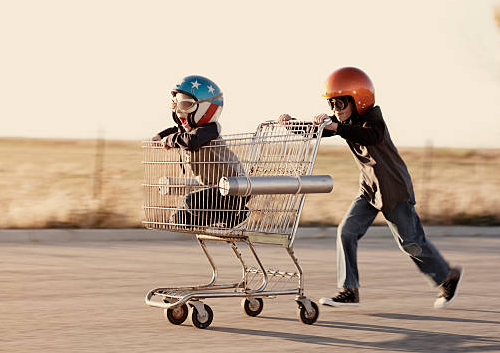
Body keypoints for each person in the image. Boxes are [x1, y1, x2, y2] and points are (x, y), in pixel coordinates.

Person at [278, 66, 463, 309]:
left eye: (341, 103)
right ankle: (349, 290)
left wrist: (337, 127)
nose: (335, 110)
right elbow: (316, 132)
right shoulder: (344, 120)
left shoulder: (373, 118)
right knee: (346, 232)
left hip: (394, 190)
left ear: (359, 100)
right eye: (332, 104)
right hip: (369, 190)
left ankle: (446, 277)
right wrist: (291, 124)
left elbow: (370, 136)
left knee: (410, 243)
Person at [153, 75, 249, 229]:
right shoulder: (191, 130)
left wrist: (171, 140)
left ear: (206, 108)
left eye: (185, 105)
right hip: (214, 191)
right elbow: (177, 129)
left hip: (233, 188)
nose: (178, 111)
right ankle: (224, 218)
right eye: (175, 105)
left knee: (191, 201)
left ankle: (238, 214)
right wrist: (160, 136)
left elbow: (192, 141)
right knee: (179, 219)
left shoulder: (210, 129)